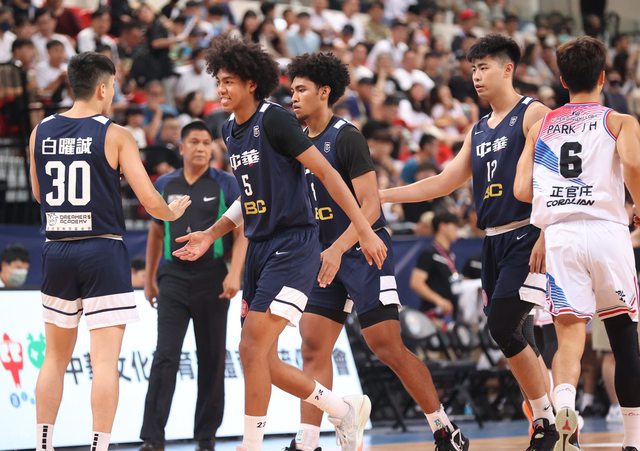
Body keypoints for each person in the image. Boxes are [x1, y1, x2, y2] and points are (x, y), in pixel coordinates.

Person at [172, 37, 387, 451]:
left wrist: (363, 227)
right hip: (258, 247)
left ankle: (250, 445)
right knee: (259, 358)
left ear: (251, 83)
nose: (221, 89)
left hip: (293, 245)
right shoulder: (228, 130)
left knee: (251, 347)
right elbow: (248, 196)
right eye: (218, 81)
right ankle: (342, 409)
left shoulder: (275, 120)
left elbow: (327, 174)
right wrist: (211, 234)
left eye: (229, 81)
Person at [380, 34, 559, 450]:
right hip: (492, 241)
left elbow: (557, 178)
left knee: (503, 327)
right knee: (517, 335)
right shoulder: (478, 129)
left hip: (527, 233)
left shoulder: (534, 113)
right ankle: (554, 422)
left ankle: (548, 423)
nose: (476, 76)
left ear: (508, 69)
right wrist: (383, 195)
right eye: (473, 69)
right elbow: (443, 182)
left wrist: (547, 232)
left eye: (484, 67)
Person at [285, 52, 469, 451]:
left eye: (301, 90)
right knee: (312, 345)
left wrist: (338, 248)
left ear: (324, 92)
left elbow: (370, 205)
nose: (294, 97)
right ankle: (308, 442)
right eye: (292, 90)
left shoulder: (346, 136)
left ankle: (444, 429)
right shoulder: (294, 142)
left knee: (386, 346)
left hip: (362, 250)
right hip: (324, 254)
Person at [29, 51, 190, 451]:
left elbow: (39, 194)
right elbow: (148, 199)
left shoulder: (40, 131)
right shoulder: (115, 134)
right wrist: (171, 212)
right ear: (102, 88)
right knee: (103, 362)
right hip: (102, 250)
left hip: (56, 249)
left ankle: (43, 445)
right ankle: (99, 446)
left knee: (54, 359)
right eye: (114, 86)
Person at [514, 35, 640, 451]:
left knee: (569, 337)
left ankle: (565, 406)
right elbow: (634, 163)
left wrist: (557, 194)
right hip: (607, 232)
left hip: (561, 237)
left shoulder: (540, 127)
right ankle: (633, 442)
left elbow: (521, 189)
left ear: (563, 80)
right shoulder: (620, 121)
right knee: (623, 338)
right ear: (603, 77)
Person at [139, 121, 248, 451]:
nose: (201, 147)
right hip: (172, 277)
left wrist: (234, 274)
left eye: (206, 142)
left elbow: (241, 233)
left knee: (212, 357)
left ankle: (206, 436)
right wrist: (149, 279)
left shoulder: (226, 183)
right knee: (165, 356)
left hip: (212, 277)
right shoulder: (165, 183)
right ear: (182, 147)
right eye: (195, 142)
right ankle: (152, 438)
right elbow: (156, 232)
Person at [410, 212, 461, 320]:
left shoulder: (450, 255)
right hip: (433, 315)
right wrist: (439, 300)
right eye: (455, 226)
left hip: (449, 316)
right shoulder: (429, 253)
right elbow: (416, 283)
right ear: (443, 226)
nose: (457, 231)